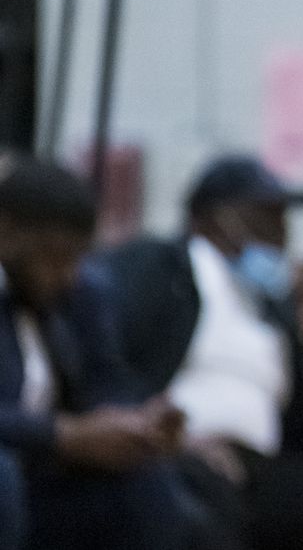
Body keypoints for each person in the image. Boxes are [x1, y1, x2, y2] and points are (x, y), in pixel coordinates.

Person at [93, 154, 303, 550]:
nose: (279, 232)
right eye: (265, 215)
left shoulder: (275, 304)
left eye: (283, 219)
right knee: (203, 490)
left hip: (257, 464)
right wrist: (171, 437)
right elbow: (110, 360)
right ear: (214, 217)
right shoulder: (162, 265)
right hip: (179, 448)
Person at [0, 152, 188, 550]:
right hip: (16, 469)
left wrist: (137, 423)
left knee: (148, 484)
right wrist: (60, 435)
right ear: (6, 233)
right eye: (54, 256)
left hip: (46, 477)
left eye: (78, 257)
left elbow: (106, 379)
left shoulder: (80, 295)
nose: (68, 274)